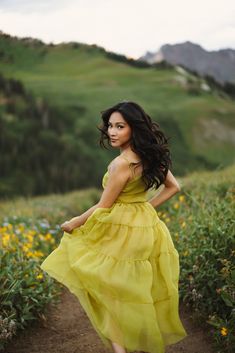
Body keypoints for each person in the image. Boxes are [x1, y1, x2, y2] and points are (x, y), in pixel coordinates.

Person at [40, 101, 187, 353]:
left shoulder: (122, 164)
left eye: (120, 126)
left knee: (109, 290)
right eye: (110, 126)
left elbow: (103, 206)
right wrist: (147, 206)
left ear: (134, 129)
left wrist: (74, 221)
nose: (112, 132)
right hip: (147, 226)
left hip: (121, 228)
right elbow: (174, 187)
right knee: (136, 287)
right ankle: (140, 341)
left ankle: (121, 350)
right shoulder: (151, 156)